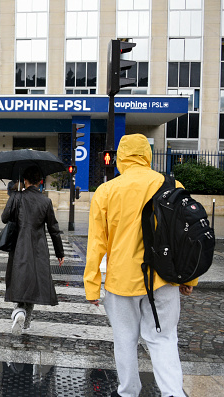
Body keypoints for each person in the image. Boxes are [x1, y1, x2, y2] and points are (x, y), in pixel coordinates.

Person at [83, 134, 196, 397]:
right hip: (164, 278)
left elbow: (96, 244)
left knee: (124, 342)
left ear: (121, 157)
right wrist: (189, 278)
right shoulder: (171, 185)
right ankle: (173, 393)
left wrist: (92, 286)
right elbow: (187, 236)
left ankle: (128, 392)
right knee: (164, 339)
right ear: (147, 155)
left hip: (121, 281)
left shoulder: (107, 191)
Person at [1, 166, 65, 336]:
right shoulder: (46, 202)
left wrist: (15, 195)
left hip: (19, 246)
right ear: (40, 182)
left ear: (26, 181)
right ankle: (26, 322)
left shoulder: (17, 197)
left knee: (20, 280)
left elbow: (4, 218)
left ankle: (19, 311)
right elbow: (54, 229)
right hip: (38, 249)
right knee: (33, 283)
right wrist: (60, 253)